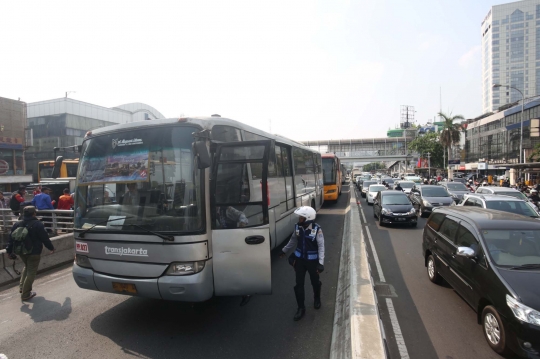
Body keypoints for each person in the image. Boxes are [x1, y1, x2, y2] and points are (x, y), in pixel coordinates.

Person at [280, 206, 325, 321]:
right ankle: (301, 308)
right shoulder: (297, 228)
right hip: (299, 261)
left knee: (315, 282)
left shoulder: (317, 229)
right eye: (299, 217)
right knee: (298, 284)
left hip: (312, 262)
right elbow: (292, 241)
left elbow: (321, 247)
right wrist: (284, 251)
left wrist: (321, 263)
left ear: (308, 218)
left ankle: (317, 298)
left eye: (301, 217)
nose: (299, 219)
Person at [5, 206, 55, 301]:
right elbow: (45, 238)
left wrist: (9, 251)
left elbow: (11, 238)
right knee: (31, 271)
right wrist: (51, 248)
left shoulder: (17, 223)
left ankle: (21, 287)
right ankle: (26, 294)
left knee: (27, 267)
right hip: (34, 252)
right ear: (34, 213)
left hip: (21, 251)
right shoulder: (38, 224)